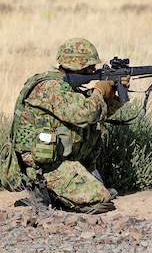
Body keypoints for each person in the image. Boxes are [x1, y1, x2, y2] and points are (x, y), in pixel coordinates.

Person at [9, 38, 129, 214]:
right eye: (89, 68)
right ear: (77, 66)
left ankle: (76, 183)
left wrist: (112, 96)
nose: (92, 71)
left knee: (92, 129)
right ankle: (47, 193)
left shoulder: (65, 87)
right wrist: (98, 91)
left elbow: (93, 116)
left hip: (59, 158)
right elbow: (84, 113)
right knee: (101, 200)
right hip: (42, 166)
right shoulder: (50, 87)